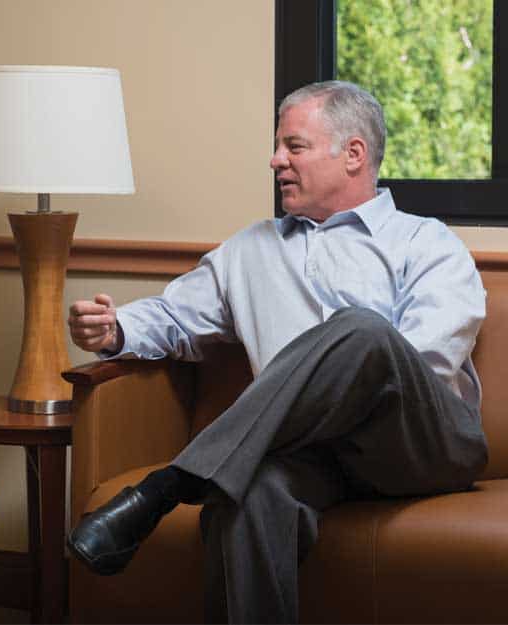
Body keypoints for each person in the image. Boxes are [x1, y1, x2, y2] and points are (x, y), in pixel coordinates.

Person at [65, 80, 488, 624]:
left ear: (353, 154)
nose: (275, 160)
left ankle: (168, 486)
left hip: (417, 444)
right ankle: (196, 484)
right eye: (277, 147)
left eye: (294, 146)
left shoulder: (426, 243)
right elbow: (174, 317)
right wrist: (114, 328)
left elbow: (420, 365)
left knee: (363, 332)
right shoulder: (250, 250)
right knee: (246, 497)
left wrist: (327, 375)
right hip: (309, 455)